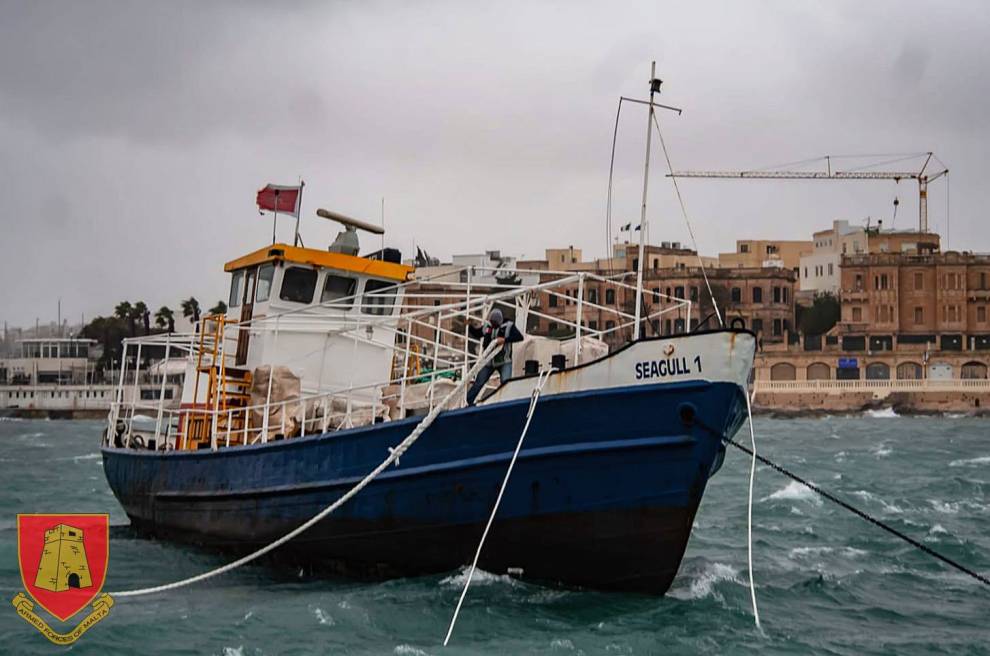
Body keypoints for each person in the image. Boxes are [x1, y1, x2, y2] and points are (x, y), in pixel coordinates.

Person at [466, 308, 523, 405]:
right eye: (492, 322)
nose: (493, 324)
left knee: (505, 383)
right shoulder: (488, 326)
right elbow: (478, 333)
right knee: (479, 382)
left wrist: (505, 340)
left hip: (504, 361)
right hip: (489, 361)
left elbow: (519, 337)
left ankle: (506, 403)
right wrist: (470, 326)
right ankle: (468, 402)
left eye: (495, 323)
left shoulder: (509, 326)